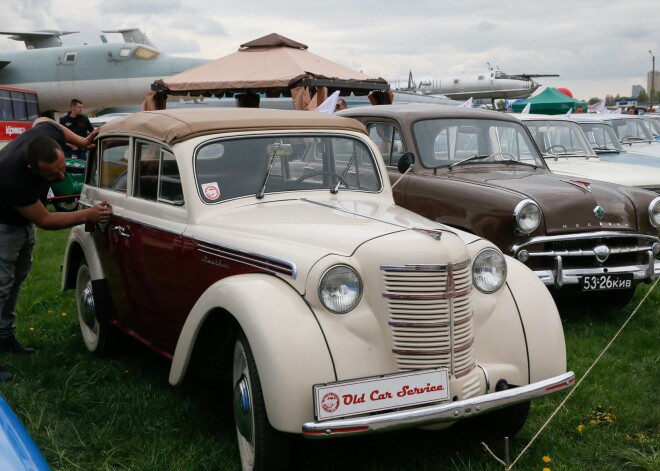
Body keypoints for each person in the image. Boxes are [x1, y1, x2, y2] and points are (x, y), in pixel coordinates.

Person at [0, 117, 110, 382]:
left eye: (62, 168)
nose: (61, 176)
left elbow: (45, 120)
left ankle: (4, 337)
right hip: (3, 224)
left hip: (21, 220)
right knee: (0, 285)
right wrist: (88, 215)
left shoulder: (49, 136)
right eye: (52, 174)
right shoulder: (12, 178)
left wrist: (82, 141)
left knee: (16, 278)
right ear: (32, 169)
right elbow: (46, 220)